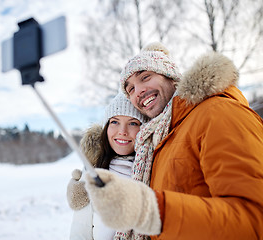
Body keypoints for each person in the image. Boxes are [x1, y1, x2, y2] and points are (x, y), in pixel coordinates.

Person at [83, 42, 263, 240]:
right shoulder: (159, 140)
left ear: (171, 76)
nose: (139, 91)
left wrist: (150, 210)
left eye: (145, 77)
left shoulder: (218, 113)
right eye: (130, 89)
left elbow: (255, 219)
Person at [67, 92, 145, 239]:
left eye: (133, 123)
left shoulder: (153, 171)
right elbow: (80, 232)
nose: (122, 132)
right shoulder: (93, 173)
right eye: (114, 122)